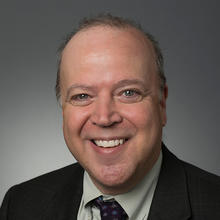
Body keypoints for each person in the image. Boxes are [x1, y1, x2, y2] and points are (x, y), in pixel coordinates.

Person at [0, 14, 220, 220]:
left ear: (161, 104)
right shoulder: (20, 205)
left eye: (128, 92)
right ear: (63, 108)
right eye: (82, 95)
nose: (104, 118)